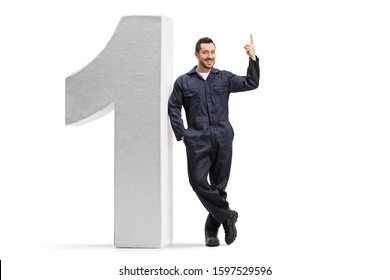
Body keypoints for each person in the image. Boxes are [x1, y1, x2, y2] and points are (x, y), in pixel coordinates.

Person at [168, 35, 260, 246]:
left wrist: (252, 58)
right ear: (196, 54)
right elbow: (173, 106)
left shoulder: (224, 78)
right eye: (205, 53)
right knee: (198, 182)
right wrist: (181, 132)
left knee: (219, 185)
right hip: (197, 138)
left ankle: (211, 230)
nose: (210, 57)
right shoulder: (184, 81)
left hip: (223, 135)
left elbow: (251, 83)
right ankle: (227, 215)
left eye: (212, 52)